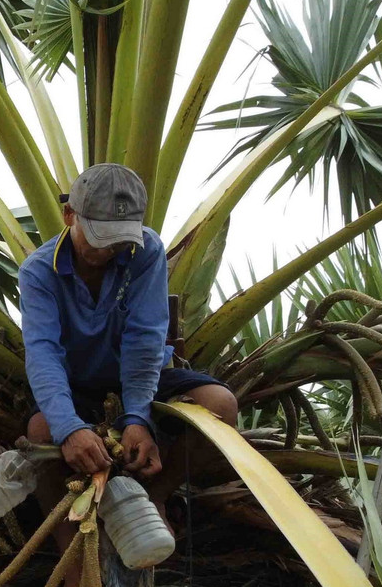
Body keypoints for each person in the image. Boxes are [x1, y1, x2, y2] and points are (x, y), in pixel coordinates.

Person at [19, 162, 237, 487]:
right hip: (77, 386)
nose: (107, 250)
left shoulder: (145, 251)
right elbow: (44, 354)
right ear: (69, 214)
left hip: (141, 379)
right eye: (98, 237)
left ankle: (159, 496)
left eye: (117, 240)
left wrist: (138, 417)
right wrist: (69, 428)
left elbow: (144, 339)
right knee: (41, 433)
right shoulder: (37, 272)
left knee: (221, 404)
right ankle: (65, 537)